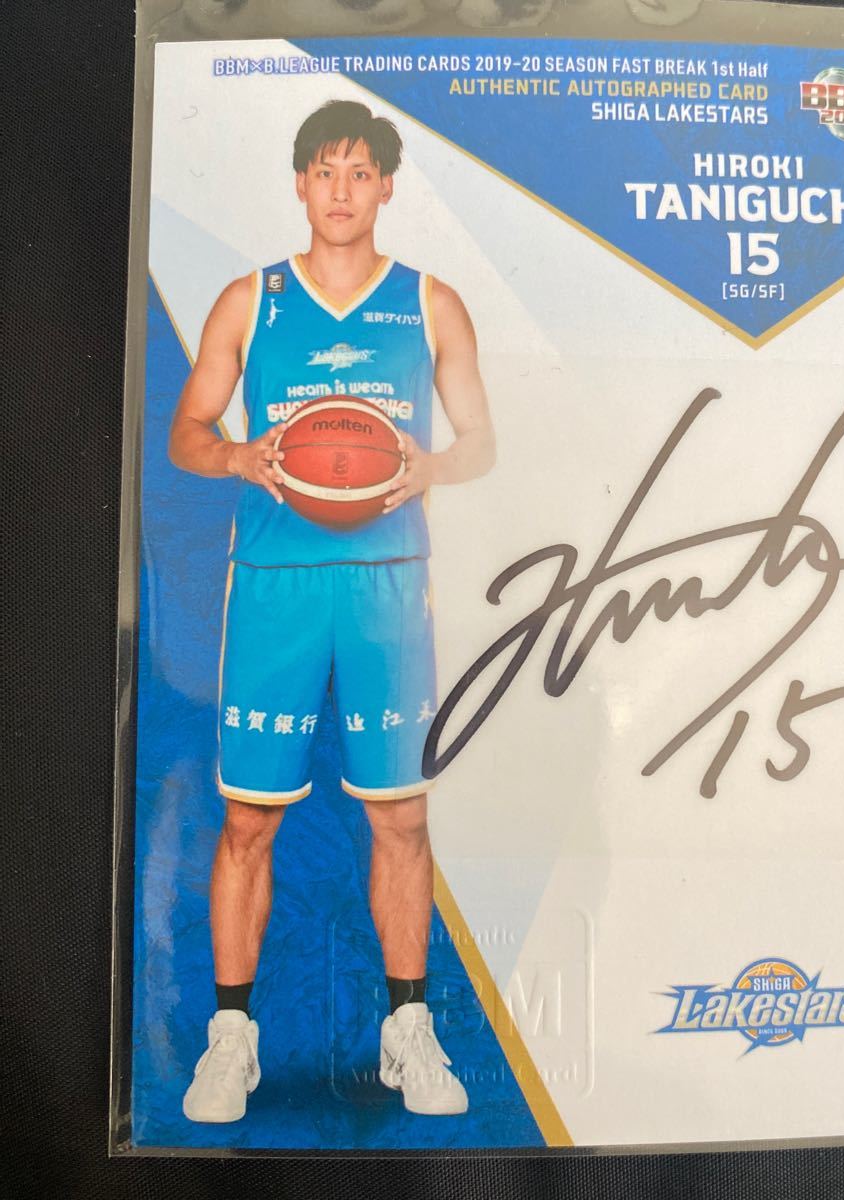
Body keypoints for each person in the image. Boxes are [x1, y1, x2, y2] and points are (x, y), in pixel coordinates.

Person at [167, 99, 495, 1123]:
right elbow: (187, 432)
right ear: (301, 184)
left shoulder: (431, 302)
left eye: (361, 172)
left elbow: (481, 443)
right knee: (246, 819)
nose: (342, 190)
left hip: (388, 582)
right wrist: (236, 455)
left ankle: (409, 1031)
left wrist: (433, 466)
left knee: (402, 815)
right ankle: (231, 1038)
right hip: (275, 585)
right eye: (325, 171)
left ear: (387, 185)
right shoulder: (249, 301)